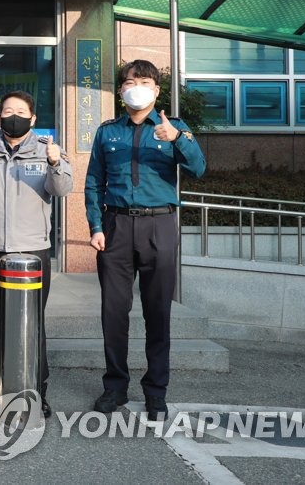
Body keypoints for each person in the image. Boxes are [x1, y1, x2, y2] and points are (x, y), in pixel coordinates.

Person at [84, 59, 206, 421]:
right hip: (116, 226)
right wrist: (95, 226)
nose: (137, 86)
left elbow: (199, 169)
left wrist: (179, 140)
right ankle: (115, 387)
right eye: (130, 81)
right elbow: (93, 182)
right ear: (121, 91)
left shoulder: (175, 129)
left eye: (145, 81)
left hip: (160, 226)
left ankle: (156, 391)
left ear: (156, 90)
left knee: (158, 312)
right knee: (113, 313)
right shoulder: (108, 132)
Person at [0, 90, 72, 418]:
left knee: (32, 324)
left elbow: (62, 190)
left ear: (33, 119)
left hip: (33, 250)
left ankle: (37, 390)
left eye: (20, 111)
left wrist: (55, 163)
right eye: (7, 110)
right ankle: (0, 387)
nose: (13, 115)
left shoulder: (48, 151)